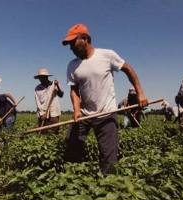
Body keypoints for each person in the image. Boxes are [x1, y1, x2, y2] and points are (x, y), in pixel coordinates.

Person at [62, 23, 148, 175]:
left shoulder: (107, 55)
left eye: (73, 43)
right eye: (69, 44)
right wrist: (76, 110)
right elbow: (74, 91)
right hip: (84, 114)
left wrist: (140, 92)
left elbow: (128, 69)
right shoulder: (72, 65)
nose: (71, 48)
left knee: (108, 158)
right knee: (71, 147)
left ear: (85, 39)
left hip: (107, 113)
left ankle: (108, 185)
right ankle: (74, 178)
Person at [34, 68, 64, 133]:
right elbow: (38, 102)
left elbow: (61, 95)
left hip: (54, 113)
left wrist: (58, 86)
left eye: (43, 77)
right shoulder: (37, 88)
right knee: (43, 133)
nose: (42, 79)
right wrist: (42, 114)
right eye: (40, 77)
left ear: (47, 77)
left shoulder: (54, 84)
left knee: (54, 132)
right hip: (43, 114)